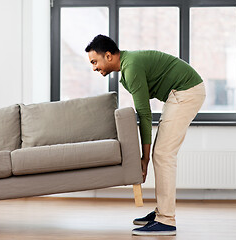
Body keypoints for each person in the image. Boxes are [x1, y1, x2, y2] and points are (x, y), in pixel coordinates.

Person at [85, 34, 206, 236]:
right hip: (178, 93)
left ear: (108, 55)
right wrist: (143, 156)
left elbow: (144, 114)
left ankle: (166, 221)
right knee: (162, 154)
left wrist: (145, 157)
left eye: (95, 62)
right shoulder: (126, 71)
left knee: (163, 155)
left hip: (186, 91)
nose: (94, 68)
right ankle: (162, 212)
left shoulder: (131, 68)